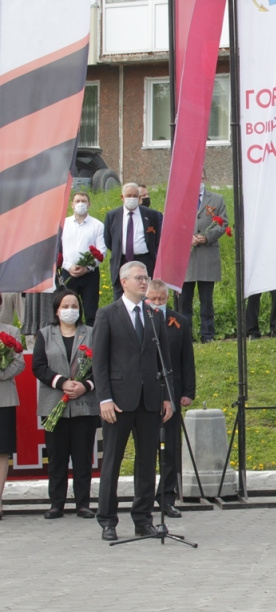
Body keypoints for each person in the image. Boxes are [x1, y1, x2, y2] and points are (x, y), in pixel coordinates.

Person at [93, 261, 173, 541]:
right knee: (113, 461)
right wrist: (104, 398)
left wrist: (166, 397)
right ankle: (107, 520)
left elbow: (164, 361)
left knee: (146, 462)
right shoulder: (107, 315)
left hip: (150, 399)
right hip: (118, 400)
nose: (144, 282)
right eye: (138, 278)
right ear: (123, 281)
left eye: (146, 278)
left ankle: (143, 518)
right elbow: (99, 362)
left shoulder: (154, 315)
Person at [32, 290, 98, 520]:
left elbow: (101, 366)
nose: (70, 310)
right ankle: (56, 503)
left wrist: (85, 386)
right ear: (57, 310)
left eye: (74, 305)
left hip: (84, 405)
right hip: (54, 405)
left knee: (82, 457)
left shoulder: (90, 333)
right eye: (65, 306)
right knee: (57, 457)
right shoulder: (45, 334)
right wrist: (61, 382)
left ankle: (83, 504)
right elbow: (38, 366)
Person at [146, 279, 195, 518]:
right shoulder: (138, 319)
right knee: (147, 448)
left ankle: (166, 496)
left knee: (170, 448)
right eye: (152, 300)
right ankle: (143, 497)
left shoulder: (179, 322)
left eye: (161, 300)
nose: (157, 304)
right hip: (144, 394)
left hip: (172, 392)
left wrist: (188, 391)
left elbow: (187, 359)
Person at [179, 172, 228, 343]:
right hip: (187, 257)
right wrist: (187, 238)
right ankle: (185, 335)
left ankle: (207, 334)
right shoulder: (180, 198)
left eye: (200, 177)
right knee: (185, 300)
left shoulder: (217, 199)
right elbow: (174, 223)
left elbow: (223, 223)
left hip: (207, 254)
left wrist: (207, 237)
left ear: (205, 179)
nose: (197, 181)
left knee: (207, 299)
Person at [103, 182, 161, 300]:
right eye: (128, 196)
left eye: (135, 196)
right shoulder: (112, 215)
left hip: (145, 260)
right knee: (120, 300)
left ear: (140, 198)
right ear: (122, 197)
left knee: (146, 297)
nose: (132, 199)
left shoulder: (152, 215)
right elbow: (108, 240)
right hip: (122, 261)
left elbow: (158, 239)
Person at [59, 191, 107, 325]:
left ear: (89, 204)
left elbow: (102, 251)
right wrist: (68, 266)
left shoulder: (97, 225)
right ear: (72, 205)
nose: (81, 204)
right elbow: (59, 250)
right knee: (70, 310)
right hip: (68, 273)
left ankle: (91, 340)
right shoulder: (64, 224)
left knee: (91, 311)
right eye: (77, 201)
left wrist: (88, 267)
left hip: (89, 275)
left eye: (84, 201)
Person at [0, 296, 25, 520]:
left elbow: (19, 362)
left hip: (4, 397)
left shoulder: (11, 332)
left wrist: (1, 374)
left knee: (2, 451)